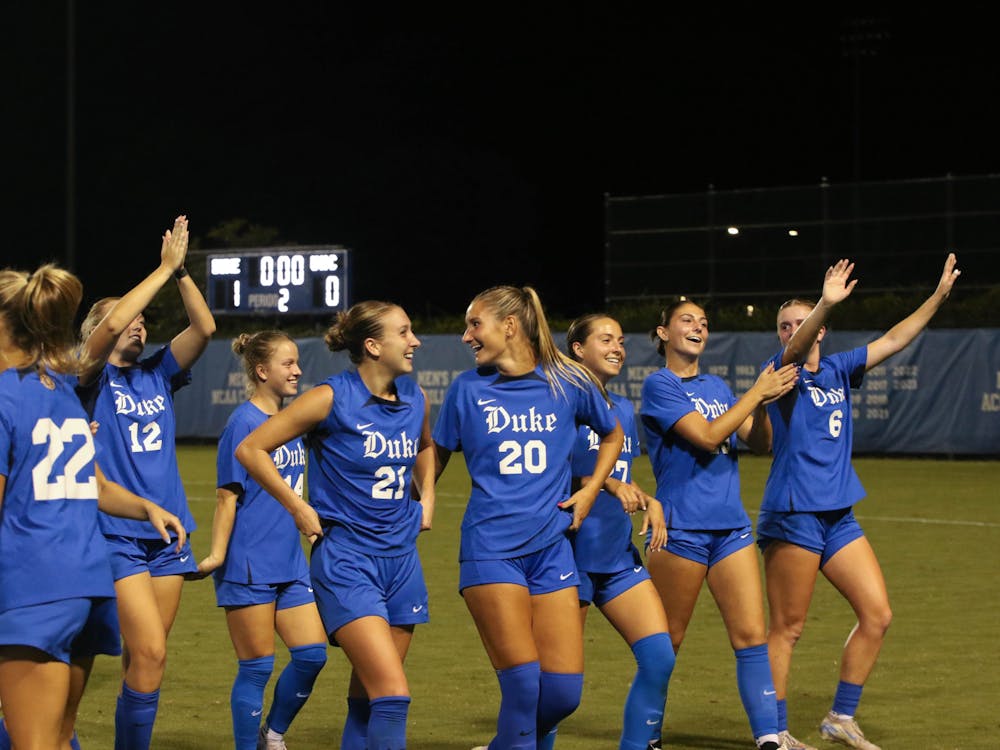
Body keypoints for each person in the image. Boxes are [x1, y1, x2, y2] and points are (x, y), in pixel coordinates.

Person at [758, 255, 961, 750]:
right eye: (784, 325)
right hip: (794, 514)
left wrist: (936, 297)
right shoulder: (781, 373)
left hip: (838, 514)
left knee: (878, 614)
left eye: (799, 323)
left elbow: (893, 339)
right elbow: (794, 352)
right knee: (788, 628)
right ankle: (775, 731)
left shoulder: (837, 369)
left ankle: (840, 718)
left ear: (822, 331)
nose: (792, 331)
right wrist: (824, 303)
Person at [0, 264, 185, 750]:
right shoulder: (61, 390)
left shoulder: (6, 396)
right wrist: (147, 507)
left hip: (31, 585)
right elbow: (97, 486)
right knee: (58, 737)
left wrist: (168, 268)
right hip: (85, 584)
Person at [236, 301, 435, 750]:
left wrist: (429, 496)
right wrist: (297, 507)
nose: (415, 342)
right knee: (393, 695)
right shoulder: (329, 397)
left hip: (403, 562)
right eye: (403, 333)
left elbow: (426, 446)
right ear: (372, 345)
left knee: (367, 698)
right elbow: (251, 449)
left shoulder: (416, 398)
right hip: (347, 562)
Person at [432, 286, 624, 750]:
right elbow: (433, 460)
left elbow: (612, 434)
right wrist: (414, 504)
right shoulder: (466, 389)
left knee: (561, 693)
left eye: (475, 324)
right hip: (490, 551)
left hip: (551, 549)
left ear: (510, 326)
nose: (466, 336)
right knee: (522, 687)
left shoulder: (568, 382)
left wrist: (591, 490)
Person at [76, 215, 216, 749]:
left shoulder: (157, 371)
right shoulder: (89, 376)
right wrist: (158, 270)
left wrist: (180, 274)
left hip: (168, 531)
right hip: (115, 531)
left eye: (142, 320)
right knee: (149, 651)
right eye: (129, 318)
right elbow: (109, 329)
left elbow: (204, 330)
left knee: (146, 660)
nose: (139, 325)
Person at [640, 299, 798, 750]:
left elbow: (761, 442)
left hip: (731, 528)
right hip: (680, 530)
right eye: (687, 320)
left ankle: (768, 737)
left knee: (751, 636)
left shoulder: (718, 386)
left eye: (704, 323)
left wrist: (762, 404)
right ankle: (647, 735)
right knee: (666, 642)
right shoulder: (659, 386)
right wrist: (756, 393)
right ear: (664, 332)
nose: (698, 327)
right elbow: (709, 438)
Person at [195, 331, 327, 750]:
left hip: (289, 561)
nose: (298, 371)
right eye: (288, 363)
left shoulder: (292, 422)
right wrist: (218, 555)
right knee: (256, 667)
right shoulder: (243, 424)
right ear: (262, 370)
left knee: (311, 656)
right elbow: (226, 496)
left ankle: (272, 734)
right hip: (249, 563)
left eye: (296, 362)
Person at [563, 314, 675, 750]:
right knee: (560, 681)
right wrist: (606, 483)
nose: (617, 348)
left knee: (658, 658)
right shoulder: (559, 405)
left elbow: (620, 475)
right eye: (605, 339)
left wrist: (649, 499)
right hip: (569, 557)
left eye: (621, 341)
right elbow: (551, 475)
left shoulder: (623, 409)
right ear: (578, 349)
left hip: (616, 554)